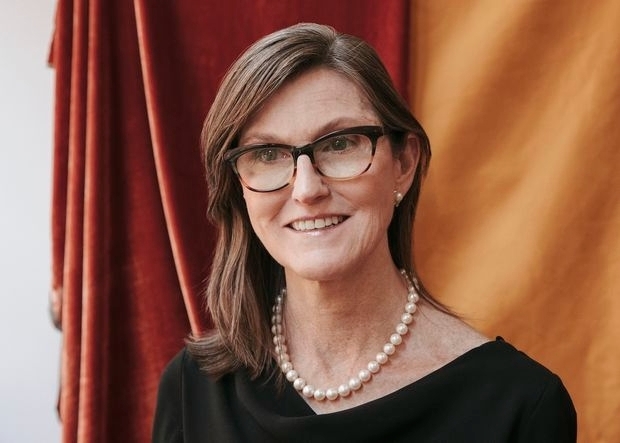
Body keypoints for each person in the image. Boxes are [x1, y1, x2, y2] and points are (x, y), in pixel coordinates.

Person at [152, 23, 576, 442]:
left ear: (404, 164)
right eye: (267, 154)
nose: (307, 189)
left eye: (339, 144)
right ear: (238, 187)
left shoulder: (521, 404)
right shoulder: (192, 391)